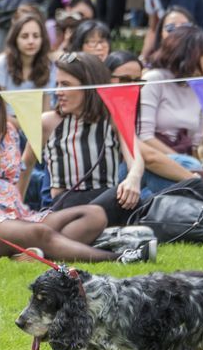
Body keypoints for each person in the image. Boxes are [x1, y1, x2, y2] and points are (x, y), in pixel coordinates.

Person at [0, 66, 154, 264]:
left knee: (94, 215)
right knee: (40, 232)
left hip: (11, 214)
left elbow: (16, 180)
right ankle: (119, 258)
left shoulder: (7, 133)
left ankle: (27, 254)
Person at [26, 52, 145, 228]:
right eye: (57, 84)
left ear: (89, 86)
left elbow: (135, 158)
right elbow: (25, 167)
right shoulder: (48, 122)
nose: (58, 92)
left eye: (66, 85)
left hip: (106, 202)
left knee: (129, 198)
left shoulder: (113, 118)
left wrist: (133, 179)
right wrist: (15, 207)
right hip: (66, 207)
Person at [138, 26, 203, 192]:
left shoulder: (198, 86)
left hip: (186, 159)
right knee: (194, 169)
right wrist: (180, 163)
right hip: (152, 162)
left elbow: (195, 142)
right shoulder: (154, 80)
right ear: (191, 58)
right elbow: (144, 136)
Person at [0, 11, 56, 111]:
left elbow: (46, 110)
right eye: (25, 36)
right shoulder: (0, 64)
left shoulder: (49, 65)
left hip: (38, 120)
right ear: (15, 39)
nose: (31, 41)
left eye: (36, 36)